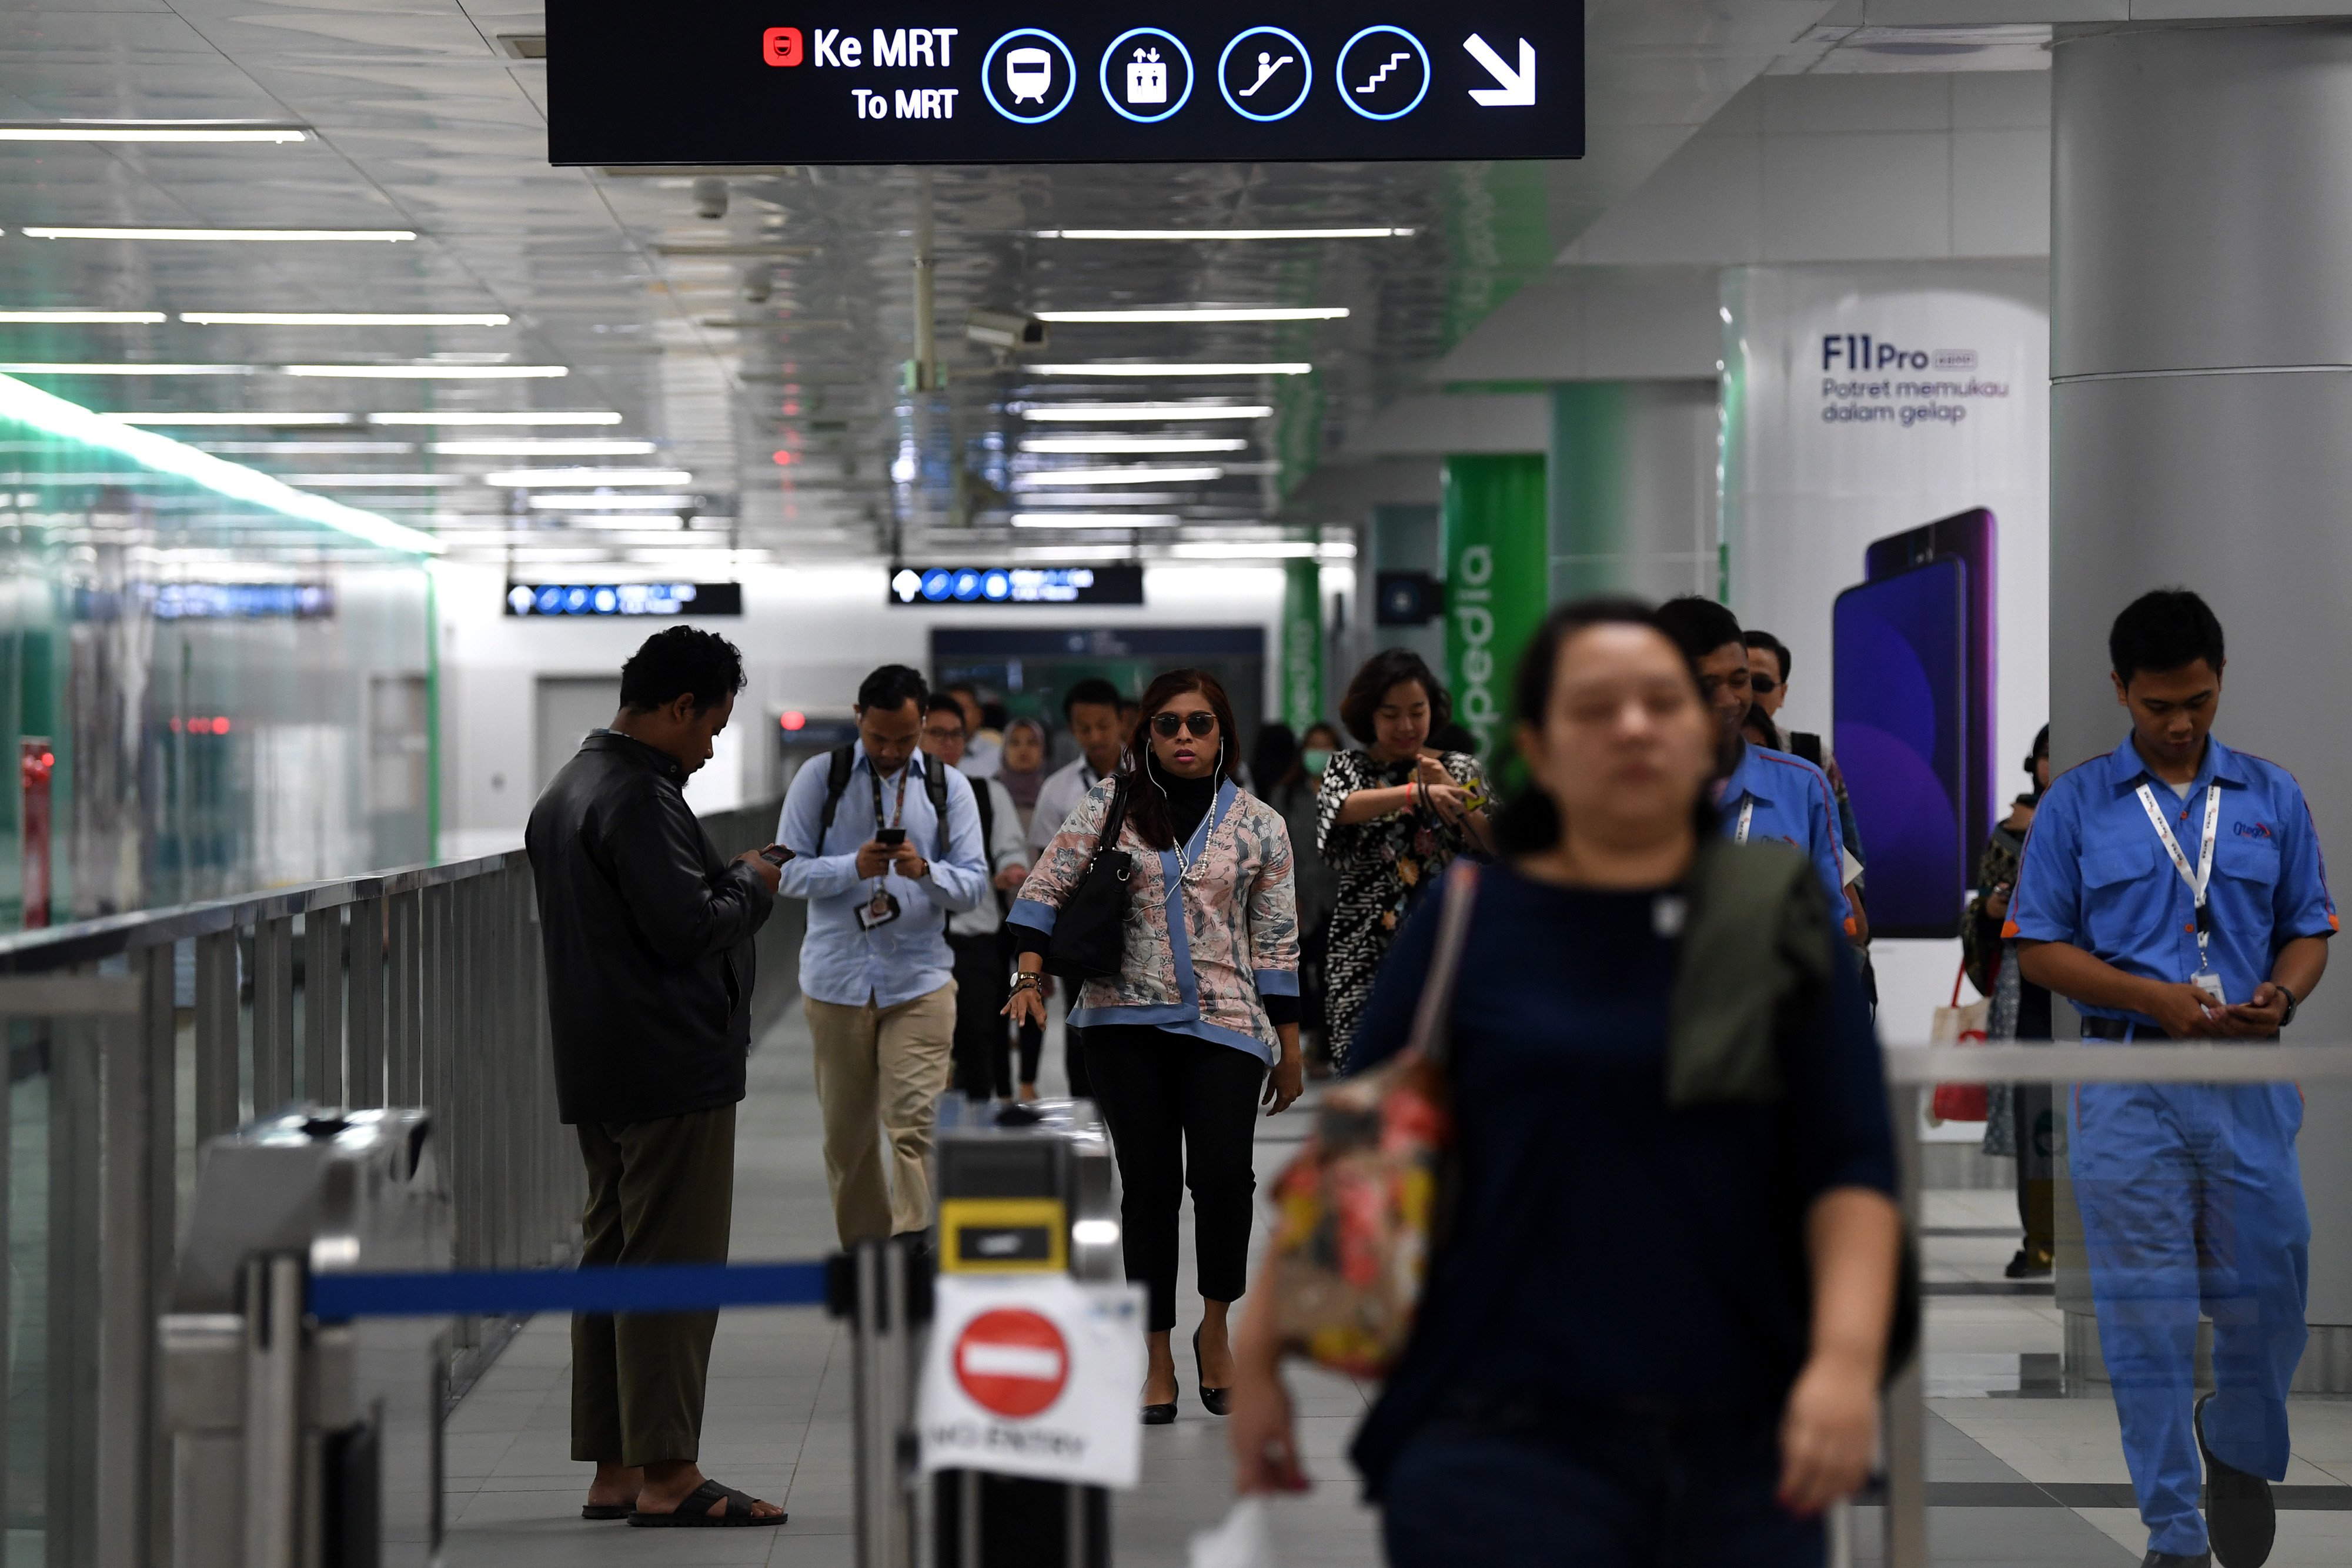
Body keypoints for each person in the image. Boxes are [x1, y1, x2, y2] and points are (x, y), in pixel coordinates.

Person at [1229, 599, 1900, 1563]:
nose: (1633, 725)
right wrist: (1262, 1358)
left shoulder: (1778, 923)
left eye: (1661, 702)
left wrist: (1841, 1364)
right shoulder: (1470, 921)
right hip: (1501, 1433)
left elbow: (1851, 1167)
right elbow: (1358, 1145)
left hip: (1740, 1436)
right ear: (1538, 751)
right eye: (1596, 707)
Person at [2010, 590, 2333, 1568]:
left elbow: (2308, 928)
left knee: (2273, 1286)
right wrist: (2149, 997)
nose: (2182, 722)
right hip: (2127, 1082)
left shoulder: (2271, 797)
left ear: (2221, 678)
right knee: (2143, 1316)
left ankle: (2236, 1439)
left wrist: (2280, 995)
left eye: (2197, 698)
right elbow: (2039, 951)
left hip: (2244, 1078)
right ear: (2120, 692)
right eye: (2158, 706)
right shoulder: (2074, 807)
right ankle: (2173, 1534)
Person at [524, 626, 787, 1527]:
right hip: (672, 1063)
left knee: (612, 1259)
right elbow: (684, 925)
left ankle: (615, 1468)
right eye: (711, 725)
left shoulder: (566, 789)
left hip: (600, 1062)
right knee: (670, 1265)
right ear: (679, 707)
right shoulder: (639, 794)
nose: (712, 745)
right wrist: (750, 882)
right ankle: (671, 1473)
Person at [1006, 669, 1304, 1423]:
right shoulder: (1112, 805)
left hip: (1228, 1028)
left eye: (1199, 724)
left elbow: (1276, 942)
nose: (1182, 737)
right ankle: (1155, 1354)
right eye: (1167, 724)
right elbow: (1044, 888)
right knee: (1147, 1193)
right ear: (1147, 733)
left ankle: (1215, 1327)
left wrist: (1291, 1047)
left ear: (1221, 735)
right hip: (1121, 1025)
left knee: (1223, 1181)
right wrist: (1029, 976)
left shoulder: (1261, 825)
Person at [775, 664, 988, 1246]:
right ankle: (869, 1259)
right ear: (857, 721)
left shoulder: (950, 788)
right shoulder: (820, 778)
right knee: (848, 1140)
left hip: (920, 979)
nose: (892, 751)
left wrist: (925, 871)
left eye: (905, 737)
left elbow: (973, 885)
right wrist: (853, 867)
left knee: (916, 1124)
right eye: (878, 739)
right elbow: (785, 870)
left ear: (924, 723)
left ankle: (916, 1249)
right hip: (835, 982)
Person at [1315, 650, 1494, 1068]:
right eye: (1391, 714)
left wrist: (1451, 788)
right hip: (1363, 948)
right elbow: (1341, 807)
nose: (1406, 726)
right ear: (1369, 715)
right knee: (1363, 1079)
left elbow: (1498, 844)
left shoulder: (1460, 766)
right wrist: (1414, 793)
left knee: (1449, 1079)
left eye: (1418, 711)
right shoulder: (1348, 766)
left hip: (1448, 946)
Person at [1659, 598, 1862, 945]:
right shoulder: (1629, 795)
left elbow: (1835, 923)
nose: (1729, 701)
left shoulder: (1804, 785)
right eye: (1708, 686)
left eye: (1740, 682)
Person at [1965, 724, 2056, 1279]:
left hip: (2087, 986)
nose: (2053, 764)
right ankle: (2040, 1239)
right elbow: (1977, 914)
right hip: (2027, 993)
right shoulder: (2008, 834)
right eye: (2047, 754)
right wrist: (1992, 913)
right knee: (2035, 1125)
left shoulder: (2091, 820)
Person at [920, 695, 1031, 1103]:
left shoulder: (985, 793)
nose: (948, 744)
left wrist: (1013, 869)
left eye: (955, 735)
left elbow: (1009, 846)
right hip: (918, 940)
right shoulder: (899, 797)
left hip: (976, 938)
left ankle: (974, 1142)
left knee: (979, 1043)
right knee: (923, 1050)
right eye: (937, 734)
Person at [1028, 677, 1130, 1099]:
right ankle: (1086, 1113)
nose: (1095, 736)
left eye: (1103, 725)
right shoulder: (1059, 787)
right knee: (1081, 1025)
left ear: (1121, 721)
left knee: (1136, 1028)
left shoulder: (1150, 777)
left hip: (1142, 921)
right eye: (1084, 728)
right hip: (1081, 930)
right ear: (1072, 729)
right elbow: (1043, 867)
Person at [1746, 628, 1868, 894]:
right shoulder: (1697, 759)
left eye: (1763, 684)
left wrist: (1849, 911)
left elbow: (1844, 852)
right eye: (1740, 681)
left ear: (1782, 693)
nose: (1749, 694)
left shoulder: (1811, 756)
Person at [1276, 722, 1343, 1075]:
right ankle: (1311, 1037)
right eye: (1313, 747)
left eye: (1326, 746)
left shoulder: (1351, 793)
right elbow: (1277, 849)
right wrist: (1289, 896)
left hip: (1340, 898)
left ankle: (1326, 1046)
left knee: (1335, 974)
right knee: (1303, 975)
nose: (1320, 754)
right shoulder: (1287, 795)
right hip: (1300, 900)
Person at [994, 716, 1054, 1096]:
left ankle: (1028, 1080)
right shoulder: (989, 793)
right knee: (996, 998)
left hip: (1039, 916)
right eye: (1014, 742)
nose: (1022, 750)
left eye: (1030, 742)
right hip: (995, 912)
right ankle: (1002, 1083)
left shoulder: (1051, 793)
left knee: (1032, 990)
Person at [945, 681, 1001, 779]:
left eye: (962, 710)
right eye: (950, 711)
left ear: (979, 715)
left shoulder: (998, 756)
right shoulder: (931, 754)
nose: (956, 717)